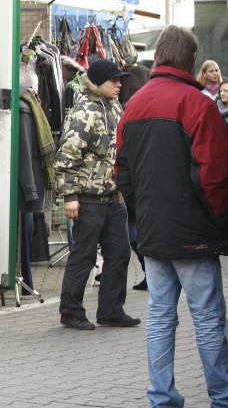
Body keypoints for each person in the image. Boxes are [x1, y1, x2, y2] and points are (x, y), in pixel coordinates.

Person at [116, 26, 228, 407]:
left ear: (161, 54)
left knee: (161, 317)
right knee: (208, 320)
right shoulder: (199, 104)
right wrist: (219, 222)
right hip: (194, 232)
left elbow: (123, 172)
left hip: (153, 232)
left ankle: (162, 397)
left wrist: (142, 212)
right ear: (191, 58)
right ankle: (221, 397)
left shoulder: (133, 105)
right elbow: (214, 175)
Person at [55, 59, 140, 331]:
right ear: (98, 82)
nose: (119, 84)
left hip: (113, 197)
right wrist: (70, 196)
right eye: (114, 80)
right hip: (89, 198)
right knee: (84, 256)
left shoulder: (113, 107)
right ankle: (70, 311)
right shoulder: (83, 112)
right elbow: (67, 157)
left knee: (119, 254)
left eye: (120, 80)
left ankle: (111, 310)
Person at [118, 51, 151, 291]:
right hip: (137, 178)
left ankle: (151, 274)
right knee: (135, 232)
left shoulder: (128, 107)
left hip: (132, 180)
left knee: (135, 232)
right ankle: (151, 274)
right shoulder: (142, 88)